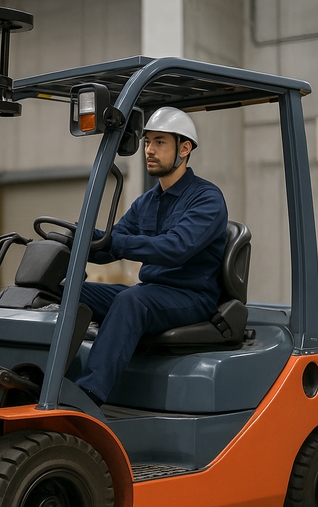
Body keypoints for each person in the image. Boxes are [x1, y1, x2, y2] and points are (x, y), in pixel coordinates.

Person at [75, 106, 228, 406]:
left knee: (131, 300)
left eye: (160, 142)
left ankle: (88, 395)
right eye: (147, 142)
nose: (149, 150)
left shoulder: (207, 199)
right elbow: (111, 244)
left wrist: (115, 242)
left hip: (191, 296)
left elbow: (175, 248)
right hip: (152, 293)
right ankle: (54, 378)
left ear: (184, 149)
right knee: (70, 290)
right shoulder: (147, 201)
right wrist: (75, 239)